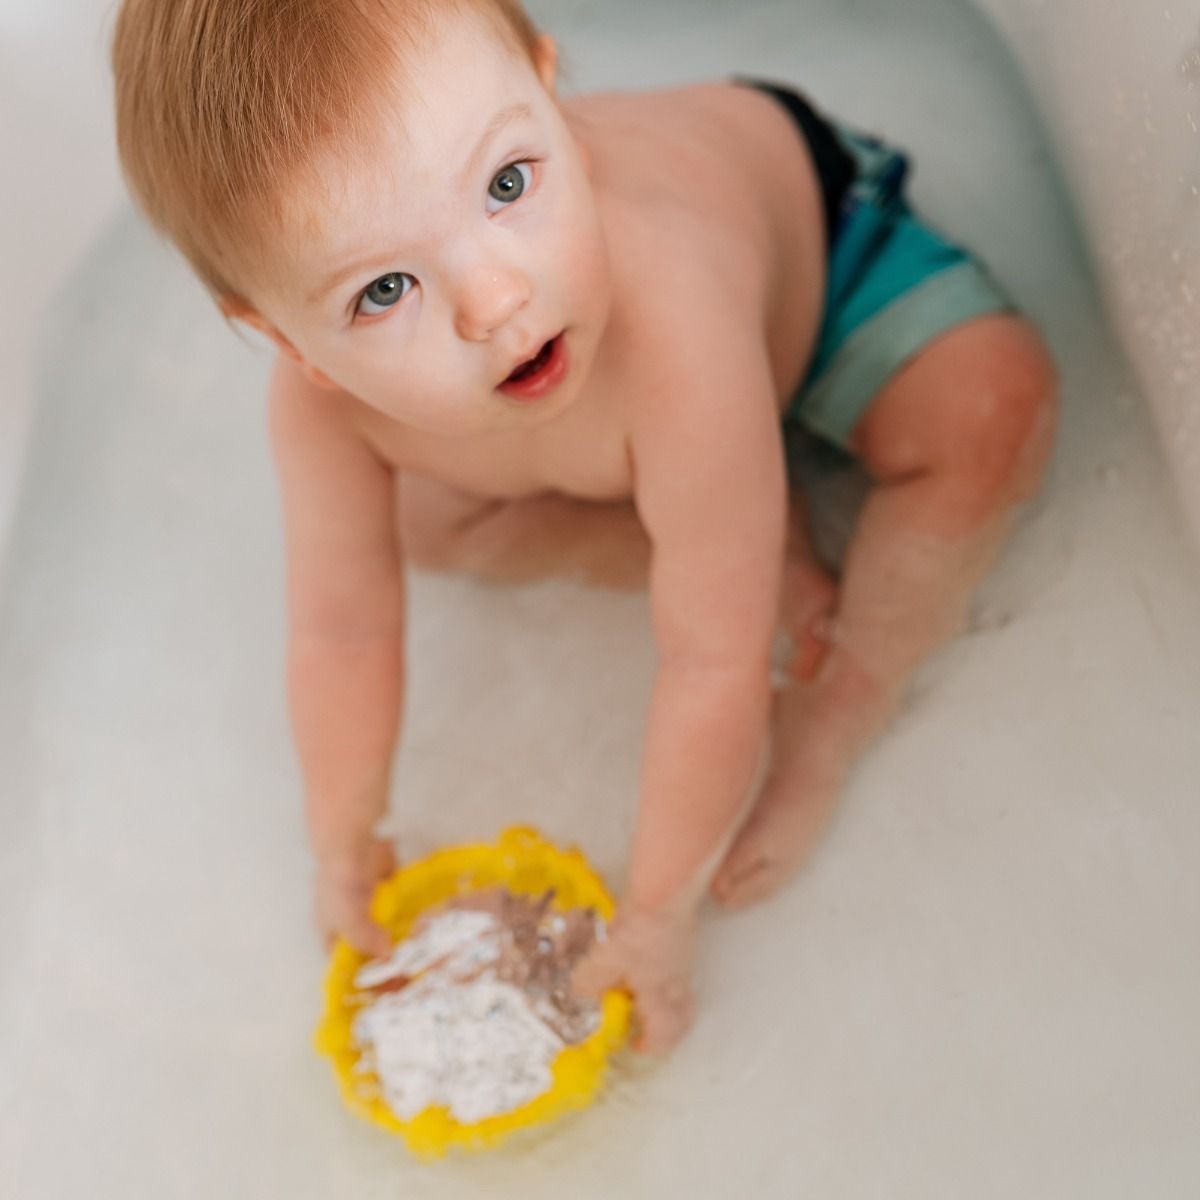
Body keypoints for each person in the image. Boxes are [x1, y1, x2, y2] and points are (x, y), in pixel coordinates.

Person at [111, 0, 1057, 1052]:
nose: (493, 300)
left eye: (508, 184)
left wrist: (657, 912)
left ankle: (846, 694)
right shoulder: (325, 411)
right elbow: (342, 632)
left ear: (553, 98)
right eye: (383, 290)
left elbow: (712, 665)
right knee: (422, 528)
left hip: (820, 245)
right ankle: (732, 531)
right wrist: (342, 840)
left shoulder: (675, 332)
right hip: (660, 432)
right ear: (291, 343)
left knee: (993, 411)